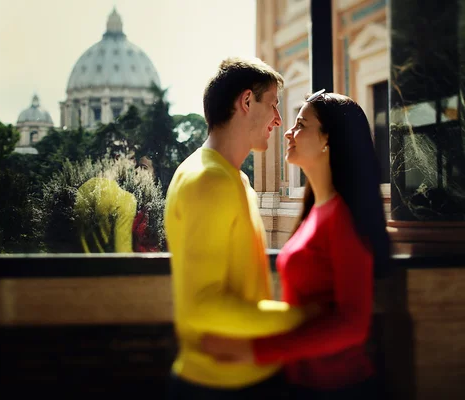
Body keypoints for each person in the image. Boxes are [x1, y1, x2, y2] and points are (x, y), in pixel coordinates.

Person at [199, 90, 391, 399]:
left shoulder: (341, 217)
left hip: (340, 388)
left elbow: (353, 324)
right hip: (306, 383)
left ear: (328, 139)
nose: (288, 131)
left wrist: (257, 350)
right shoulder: (317, 210)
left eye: (301, 125)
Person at [164, 57, 320, 399]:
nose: (279, 120)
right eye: (274, 104)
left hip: (248, 376)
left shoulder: (235, 178)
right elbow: (203, 306)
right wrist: (302, 318)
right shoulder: (207, 180)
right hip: (218, 385)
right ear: (247, 102)